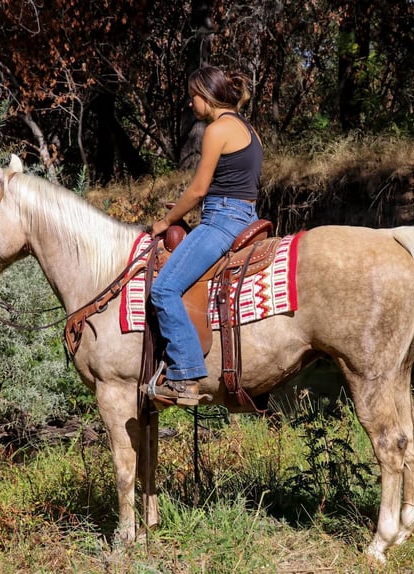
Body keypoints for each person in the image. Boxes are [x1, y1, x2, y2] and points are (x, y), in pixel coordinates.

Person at [148, 65, 263, 406]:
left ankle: (185, 377)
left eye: (192, 97)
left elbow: (198, 189)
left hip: (223, 220)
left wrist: (166, 220)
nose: (190, 104)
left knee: (164, 288)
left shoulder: (217, 130)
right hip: (244, 216)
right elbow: (234, 184)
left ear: (207, 96)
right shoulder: (249, 129)